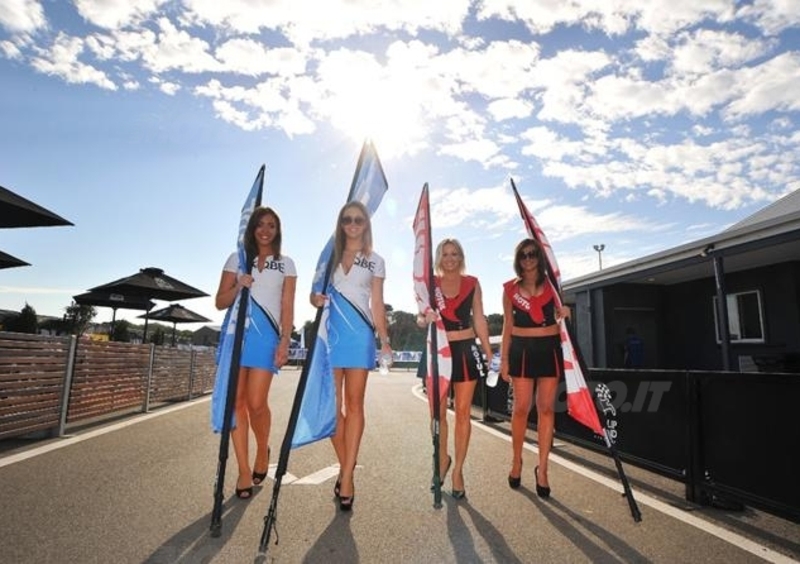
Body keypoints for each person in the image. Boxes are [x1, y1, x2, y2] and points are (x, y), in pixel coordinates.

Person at [310, 201, 391, 511]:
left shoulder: (376, 261)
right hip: (330, 336)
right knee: (332, 409)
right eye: (347, 219)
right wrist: (315, 299)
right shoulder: (327, 257)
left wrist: (384, 340)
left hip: (359, 336)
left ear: (366, 224)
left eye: (359, 219)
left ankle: (346, 478)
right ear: (340, 223)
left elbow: (378, 304)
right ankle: (347, 468)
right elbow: (313, 293)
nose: (353, 224)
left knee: (354, 404)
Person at [215, 206, 297, 499]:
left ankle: (263, 448)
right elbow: (219, 303)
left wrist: (285, 341)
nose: (265, 230)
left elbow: (287, 306)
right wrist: (239, 284)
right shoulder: (237, 260)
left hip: (266, 339)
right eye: (260, 224)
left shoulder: (286, 264)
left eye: (271, 225)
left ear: (278, 231)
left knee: (256, 402)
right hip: (237, 337)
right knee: (236, 403)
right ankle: (244, 471)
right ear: (252, 228)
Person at [418, 238, 493, 499]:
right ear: (439, 257)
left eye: (455, 254)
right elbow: (419, 316)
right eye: (445, 254)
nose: (450, 258)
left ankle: (458, 471)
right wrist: (423, 318)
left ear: (461, 257)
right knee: (437, 414)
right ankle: (441, 460)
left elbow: (480, 318)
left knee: (463, 413)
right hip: (437, 352)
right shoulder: (429, 283)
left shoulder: (472, 283)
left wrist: (487, 348)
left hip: (464, 351)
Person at [499, 238, 569, 498]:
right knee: (520, 408)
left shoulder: (552, 286)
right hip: (521, 350)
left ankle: (543, 469)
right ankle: (517, 461)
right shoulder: (510, 290)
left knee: (547, 409)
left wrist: (565, 312)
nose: (528, 259)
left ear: (539, 257)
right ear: (518, 260)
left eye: (532, 254)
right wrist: (504, 359)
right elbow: (507, 327)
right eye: (523, 256)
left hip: (548, 348)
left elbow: (561, 315)